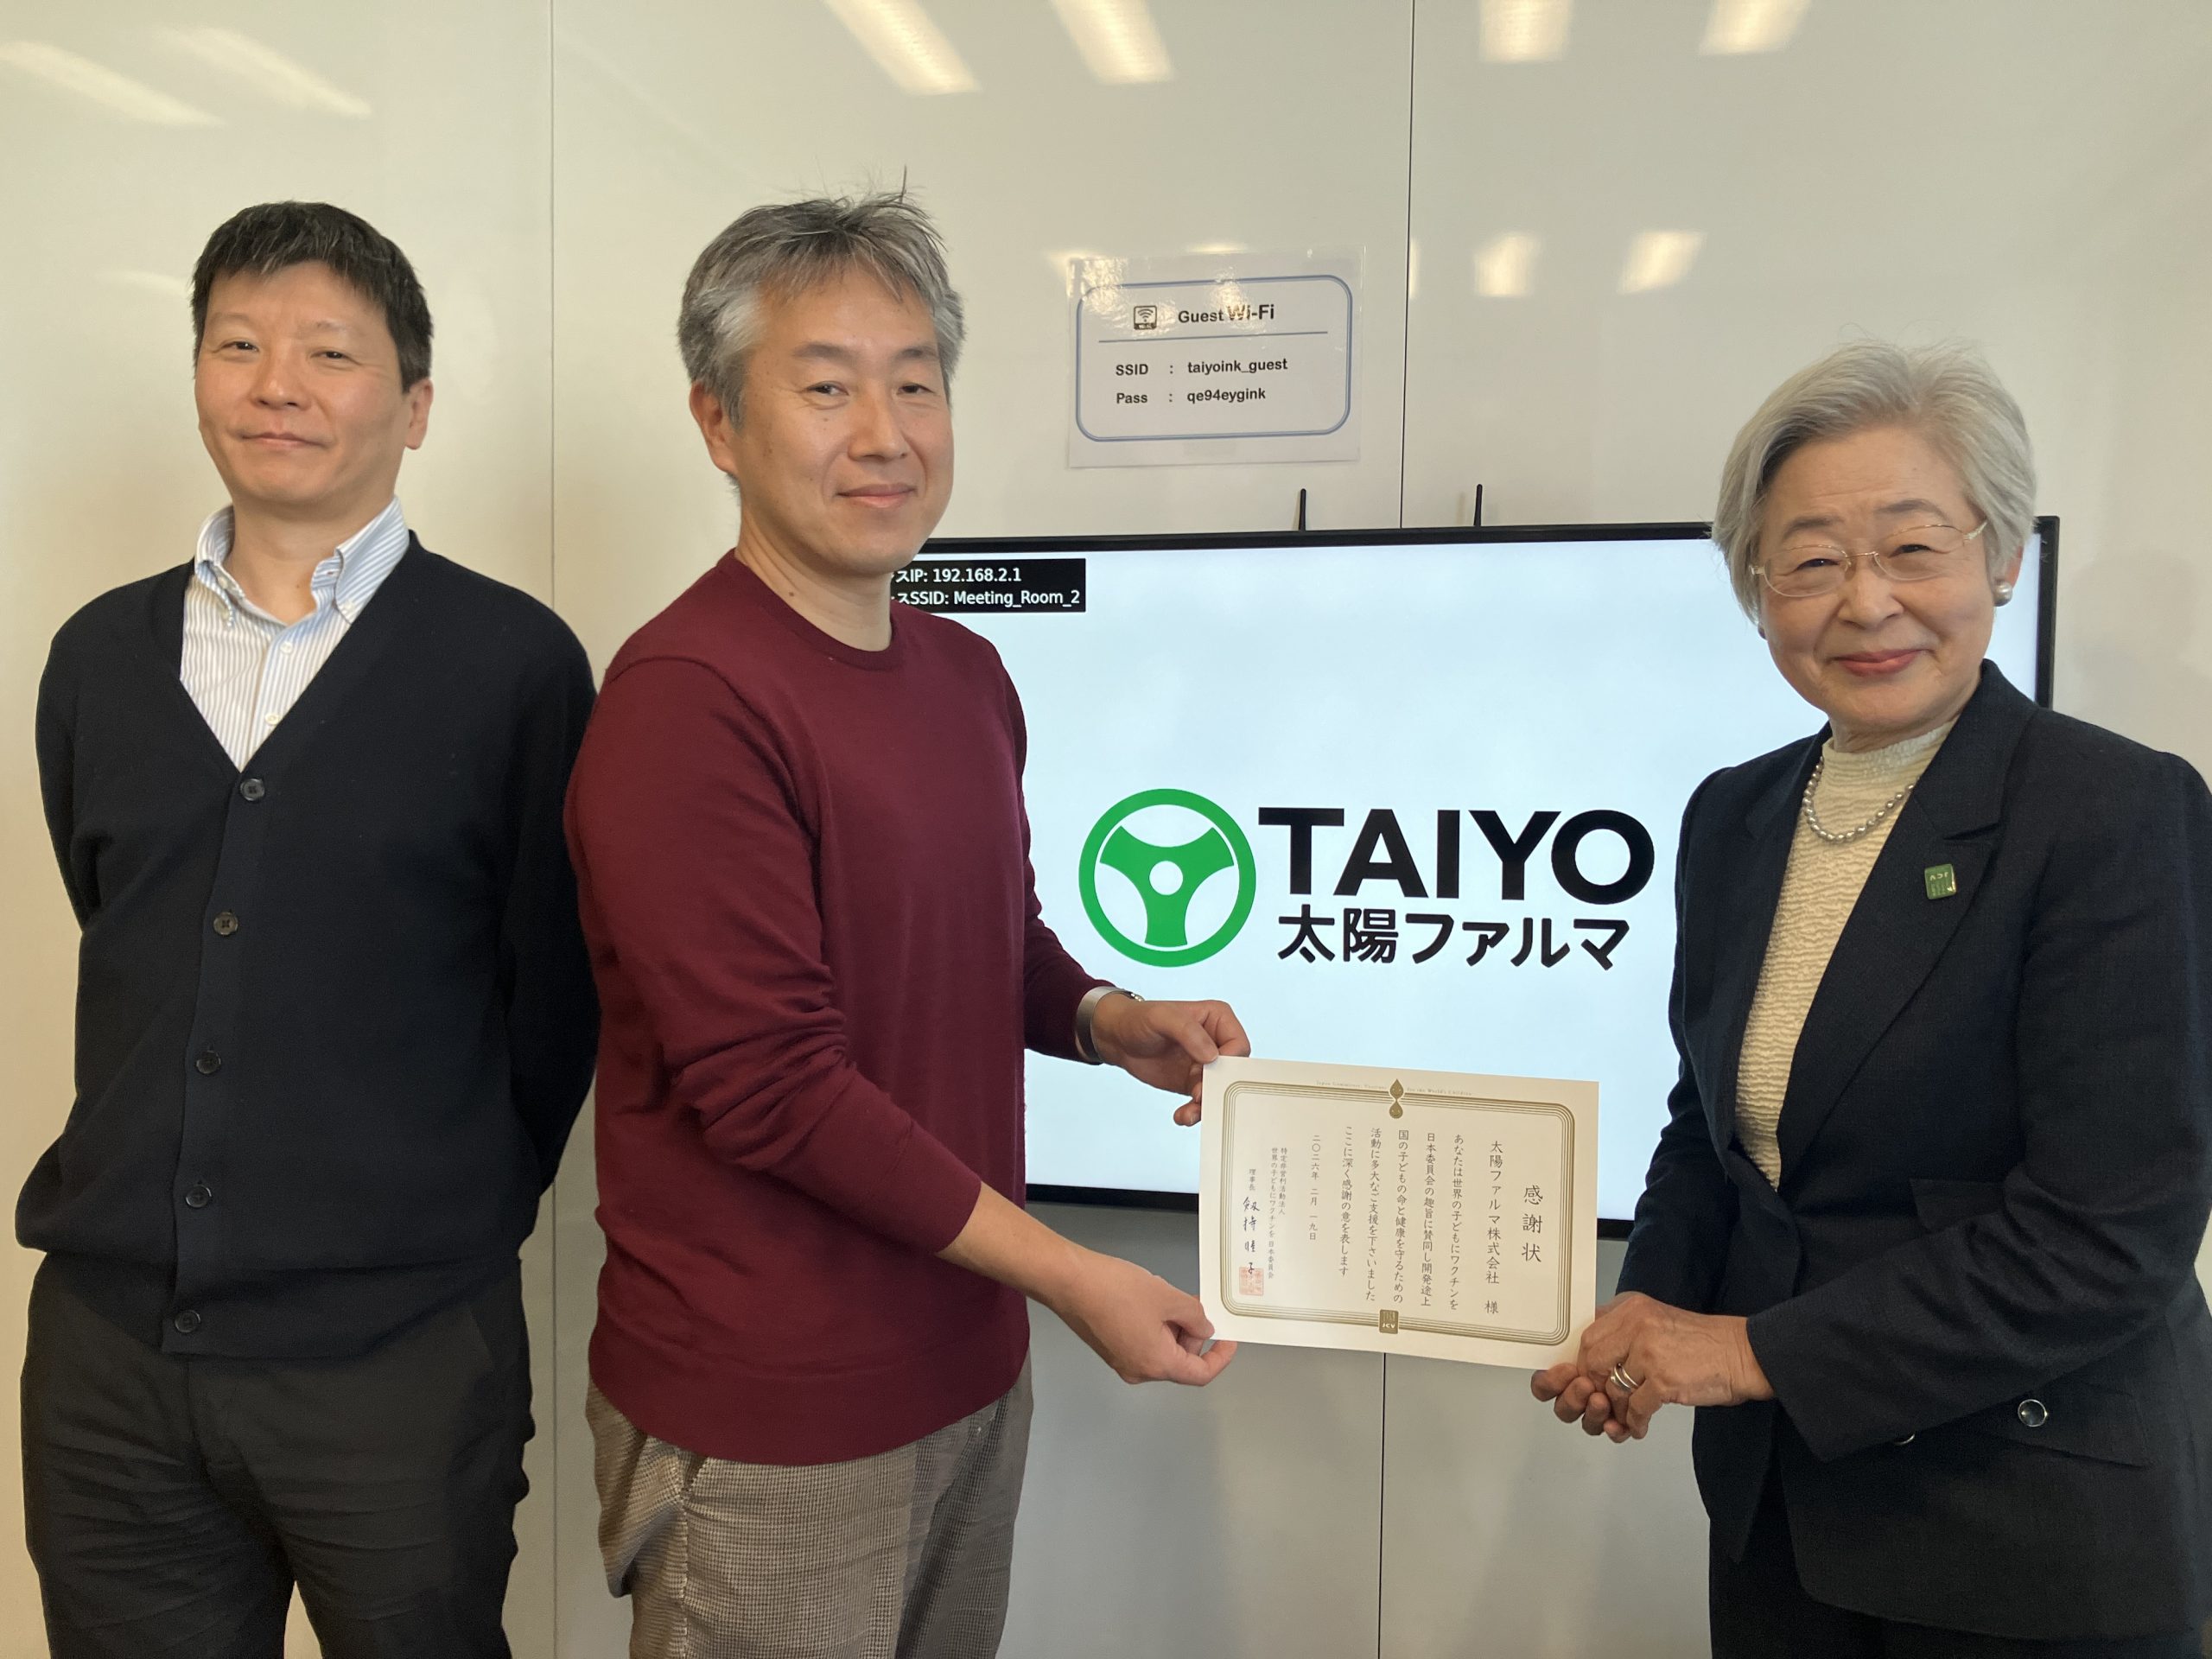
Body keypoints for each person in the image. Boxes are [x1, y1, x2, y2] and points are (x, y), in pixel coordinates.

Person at [565, 191, 1245, 1659]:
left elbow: (988, 938)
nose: (884, 433)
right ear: (719, 422)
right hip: (770, 1418)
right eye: (826, 388)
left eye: (915, 383)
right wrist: (1073, 1276)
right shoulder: (686, 702)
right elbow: (773, 1087)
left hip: (963, 1365)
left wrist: (1104, 1019)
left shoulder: (963, 670)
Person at [1533, 340, 2212, 1656]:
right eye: (1810, 561)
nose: (1865, 602)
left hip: (2027, 1523)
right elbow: (1710, 1131)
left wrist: (1746, 1355)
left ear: (1999, 556)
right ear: (1757, 591)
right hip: (1784, 1511)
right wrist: (1646, 1314)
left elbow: (2108, 1234)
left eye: (1912, 548)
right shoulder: (1734, 815)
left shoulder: (2113, 811)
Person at [22, 201, 599, 1658]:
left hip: (397, 1361)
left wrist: (423, 1210)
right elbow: (130, 927)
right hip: (110, 1361)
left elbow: (556, 1000)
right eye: (238, 346)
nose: (276, 385)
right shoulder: (98, 655)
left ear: (416, 406)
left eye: (330, 353)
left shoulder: (515, 664)